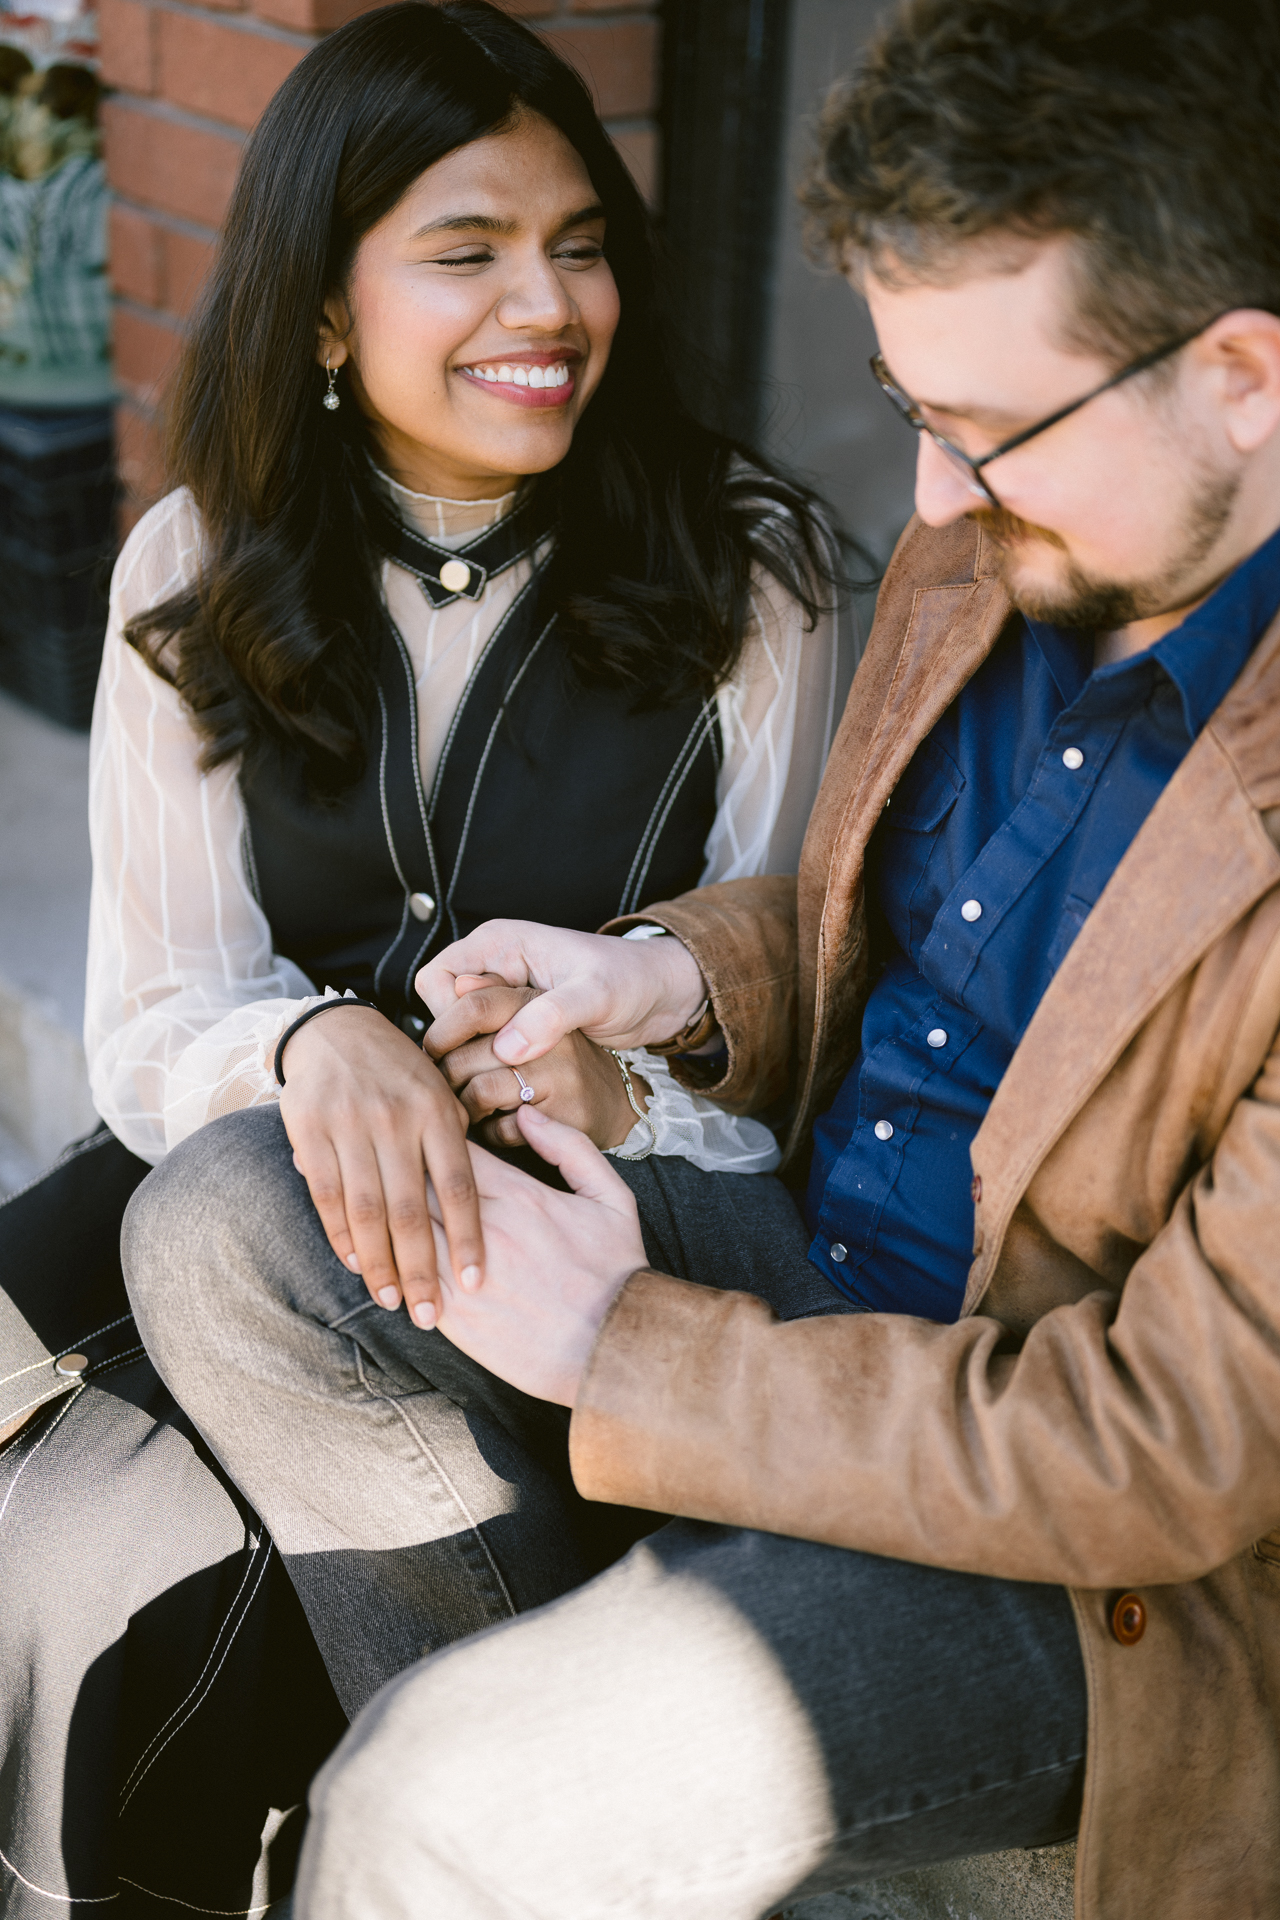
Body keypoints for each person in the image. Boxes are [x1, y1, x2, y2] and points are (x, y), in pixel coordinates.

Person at [125, 0, 1280, 1914]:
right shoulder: (1010, 532)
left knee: (441, 1805)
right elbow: (909, 925)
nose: (929, 503)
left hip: (1099, 1564)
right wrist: (662, 977)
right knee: (239, 1218)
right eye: (913, 414)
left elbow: (1168, 1454)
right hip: (830, 1257)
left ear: (1242, 373)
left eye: (986, 431)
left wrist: (619, 1347)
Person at [0, 3, 844, 1910]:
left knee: (160, 1347)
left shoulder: (746, 572)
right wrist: (315, 1048)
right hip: (273, 1187)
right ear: (320, 311)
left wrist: (621, 1082)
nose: (545, 304)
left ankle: (505, 1834)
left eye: (580, 241)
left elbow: (789, 1011)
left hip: (582, 1242)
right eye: (463, 254)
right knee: (50, 1532)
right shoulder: (196, 565)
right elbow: (154, 1015)